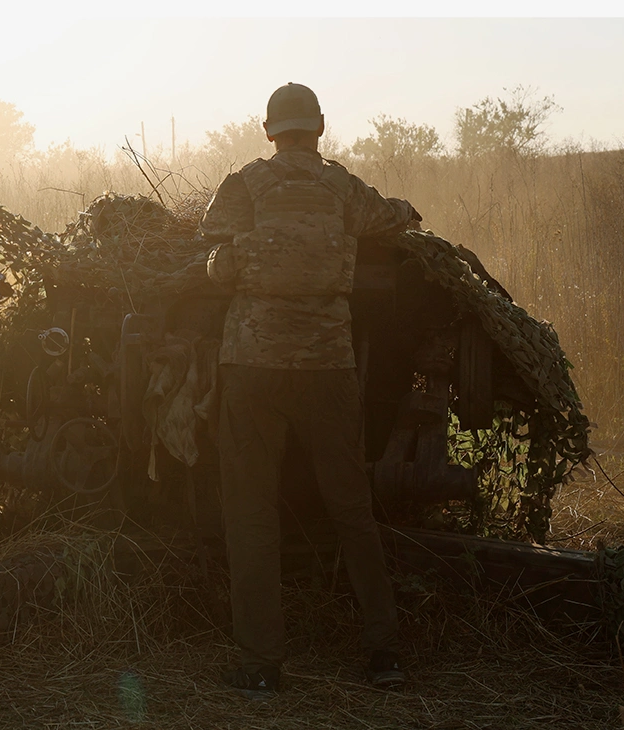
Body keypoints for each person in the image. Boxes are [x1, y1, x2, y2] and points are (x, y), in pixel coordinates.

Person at [200, 83, 422, 694]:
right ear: (319, 126)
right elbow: (396, 218)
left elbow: (210, 240)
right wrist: (405, 209)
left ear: (268, 130)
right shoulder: (344, 187)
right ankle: (384, 655)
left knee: (250, 512)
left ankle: (261, 664)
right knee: (352, 508)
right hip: (328, 367)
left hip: (251, 365)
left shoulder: (243, 183)